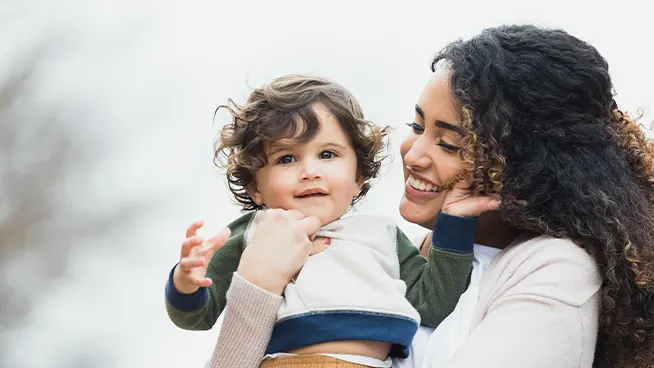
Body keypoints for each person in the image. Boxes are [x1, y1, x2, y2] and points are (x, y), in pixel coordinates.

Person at [203, 25, 654, 368]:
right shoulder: (394, 259)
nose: (413, 154)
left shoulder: (556, 271)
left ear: (523, 166)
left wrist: (256, 288)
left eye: (449, 143)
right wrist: (254, 283)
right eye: (418, 127)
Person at [164, 75, 499, 367]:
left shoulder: (381, 236)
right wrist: (186, 282)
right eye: (287, 158)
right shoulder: (257, 233)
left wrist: (453, 223)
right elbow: (198, 316)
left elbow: (433, 303)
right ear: (255, 187)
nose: (310, 171)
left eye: (328, 154)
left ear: (359, 175)